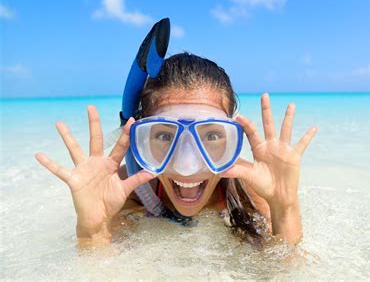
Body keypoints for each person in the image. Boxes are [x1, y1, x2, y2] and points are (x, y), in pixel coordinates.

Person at [35, 21, 316, 247]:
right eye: (165, 136)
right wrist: (92, 231)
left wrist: (285, 205)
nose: (187, 164)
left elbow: (287, 273)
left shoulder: (247, 189)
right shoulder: (121, 191)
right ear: (139, 140)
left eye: (211, 136)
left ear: (232, 140)